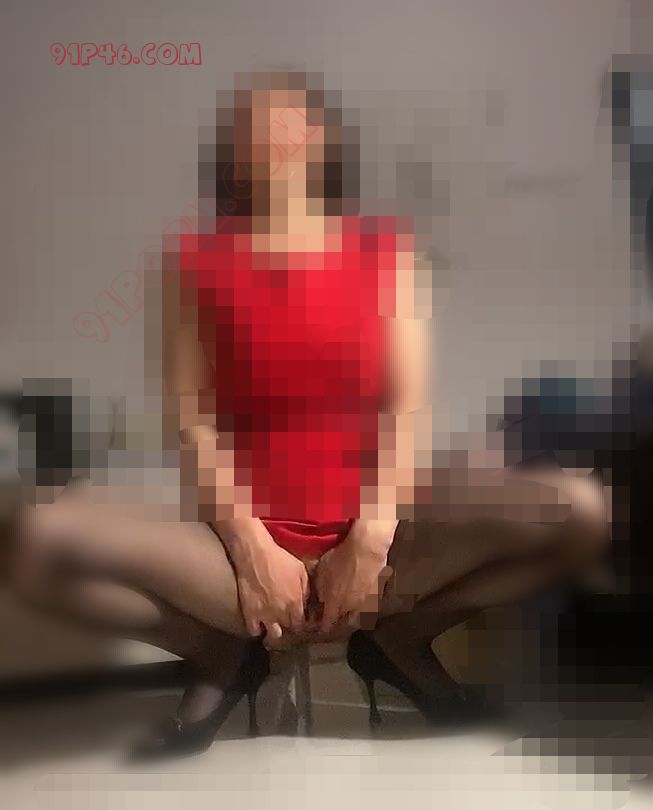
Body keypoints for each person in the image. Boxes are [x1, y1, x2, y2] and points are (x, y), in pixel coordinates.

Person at [0, 71, 610, 759]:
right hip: (235, 551)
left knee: (580, 512)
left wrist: (370, 539)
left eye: (289, 117)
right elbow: (193, 421)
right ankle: (220, 654)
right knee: (34, 539)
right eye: (250, 123)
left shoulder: (389, 254)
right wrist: (252, 551)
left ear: (324, 140)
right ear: (232, 153)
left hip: (385, 544)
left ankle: (399, 642)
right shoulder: (193, 263)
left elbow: (405, 407)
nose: (271, 133)